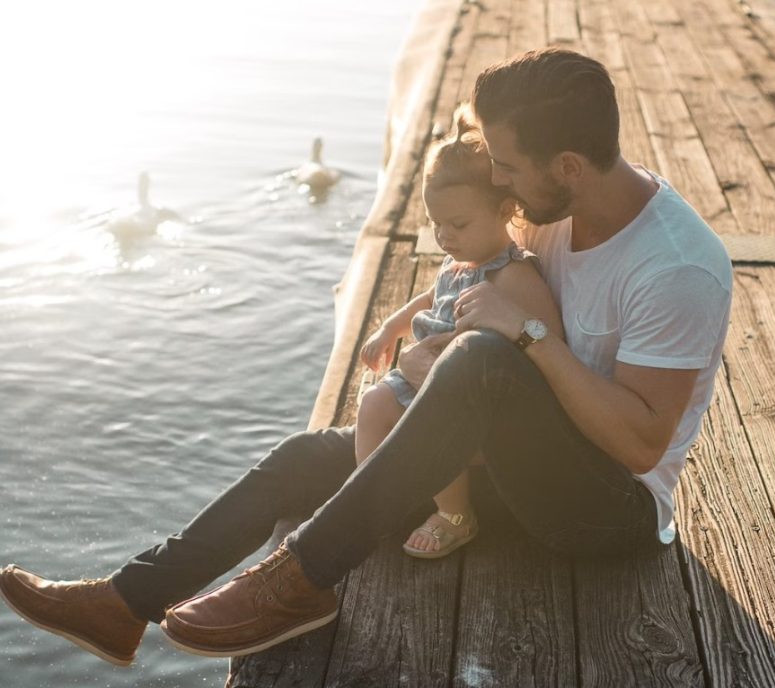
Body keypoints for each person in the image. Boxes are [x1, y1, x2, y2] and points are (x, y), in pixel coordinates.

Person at [0, 47, 732, 665]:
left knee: (481, 360)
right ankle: (125, 602)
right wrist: (410, 320)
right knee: (303, 458)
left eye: (507, 166)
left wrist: (526, 337)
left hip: (604, 511)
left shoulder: (675, 267)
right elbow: (476, 280)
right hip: (509, 465)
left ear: (567, 165)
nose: (498, 180)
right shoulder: (552, 215)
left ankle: (300, 580)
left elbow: (640, 446)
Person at [356, 104, 563, 558]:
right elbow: (431, 297)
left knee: (437, 429)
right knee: (372, 404)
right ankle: (373, 501)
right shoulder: (460, 261)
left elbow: (546, 341)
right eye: (436, 225)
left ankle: (455, 514)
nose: (445, 237)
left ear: (507, 209)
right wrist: (391, 328)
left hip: (466, 393)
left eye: (459, 224)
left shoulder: (512, 275)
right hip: (425, 370)